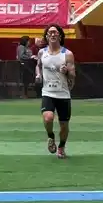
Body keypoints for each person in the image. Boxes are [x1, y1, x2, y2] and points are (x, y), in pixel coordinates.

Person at [35, 24, 75, 159]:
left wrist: (67, 71)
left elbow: (73, 75)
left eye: (55, 32)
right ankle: (50, 136)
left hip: (63, 93)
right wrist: (38, 75)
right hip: (48, 92)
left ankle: (61, 147)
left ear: (60, 36)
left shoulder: (67, 54)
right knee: (48, 117)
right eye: (50, 32)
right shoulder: (42, 52)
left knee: (64, 125)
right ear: (46, 36)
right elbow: (38, 65)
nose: (52, 34)